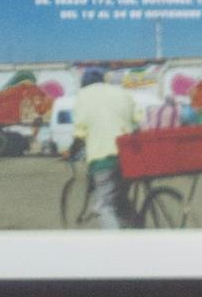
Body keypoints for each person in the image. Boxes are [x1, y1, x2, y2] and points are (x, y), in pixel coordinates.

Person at [62, 67, 145, 228]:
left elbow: (80, 133)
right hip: (129, 157)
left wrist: (72, 151)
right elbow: (138, 121)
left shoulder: (82, 97)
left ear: (84, 83)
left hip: (103, 158)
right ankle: (139, 232)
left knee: (104, 205)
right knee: (120, 201)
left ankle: (114, 249)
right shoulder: (122, 93)